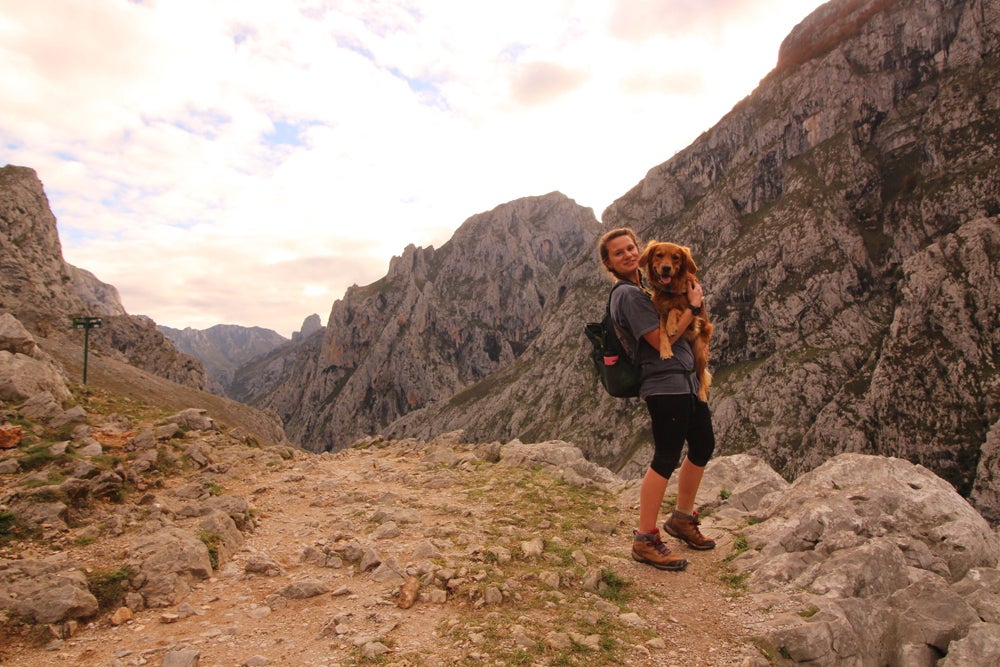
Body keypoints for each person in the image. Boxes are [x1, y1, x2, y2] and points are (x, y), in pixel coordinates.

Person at [597, 227, 716, 571]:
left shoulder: (645, 290)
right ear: (609, 263)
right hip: (664, 386)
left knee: (703, 444)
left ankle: (681, 519)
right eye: (618, 253)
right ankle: (645, 538)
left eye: (631, 248)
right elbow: (659, 340)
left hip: (687, 380)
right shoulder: (628, 296)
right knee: (666, 455)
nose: (628, 255)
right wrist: (694, 307)